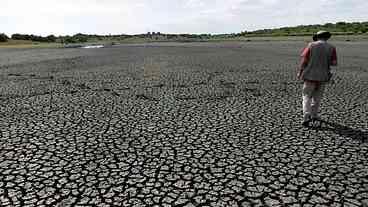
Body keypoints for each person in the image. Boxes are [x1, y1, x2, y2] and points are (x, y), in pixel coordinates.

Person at [297, 31, 338, 127]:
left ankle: (306, 115)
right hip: (323, 76)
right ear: (327, 38)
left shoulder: (311, 45)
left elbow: (304, 61)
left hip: (310, 75)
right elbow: (334, 63)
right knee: (317, 98)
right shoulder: (332, 47)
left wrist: (300, 72)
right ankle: (314, 115)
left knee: (306, 96)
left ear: (317, 37)